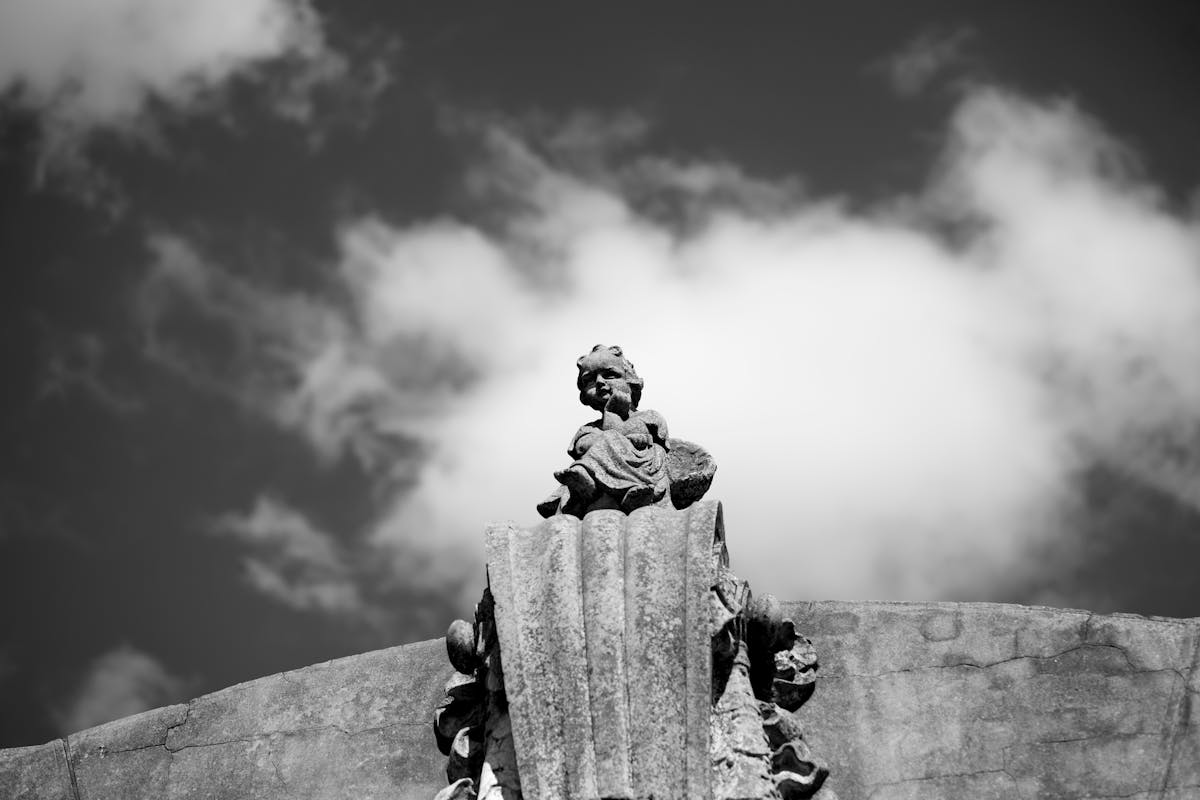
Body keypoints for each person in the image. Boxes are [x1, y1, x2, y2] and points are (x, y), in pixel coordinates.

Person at [538, 345, 672, 517]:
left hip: (644, 470)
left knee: (643, 448)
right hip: (600, 466)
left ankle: (629, 489)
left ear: (629, 380)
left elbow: (653, 440)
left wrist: (613, 416)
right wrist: (613, 422)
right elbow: (581, 445)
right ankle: (586, 481)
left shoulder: (649, 416)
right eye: (591, 380)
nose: (600, 382)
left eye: (609, 375)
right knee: (603, 440)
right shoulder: (590, 428)